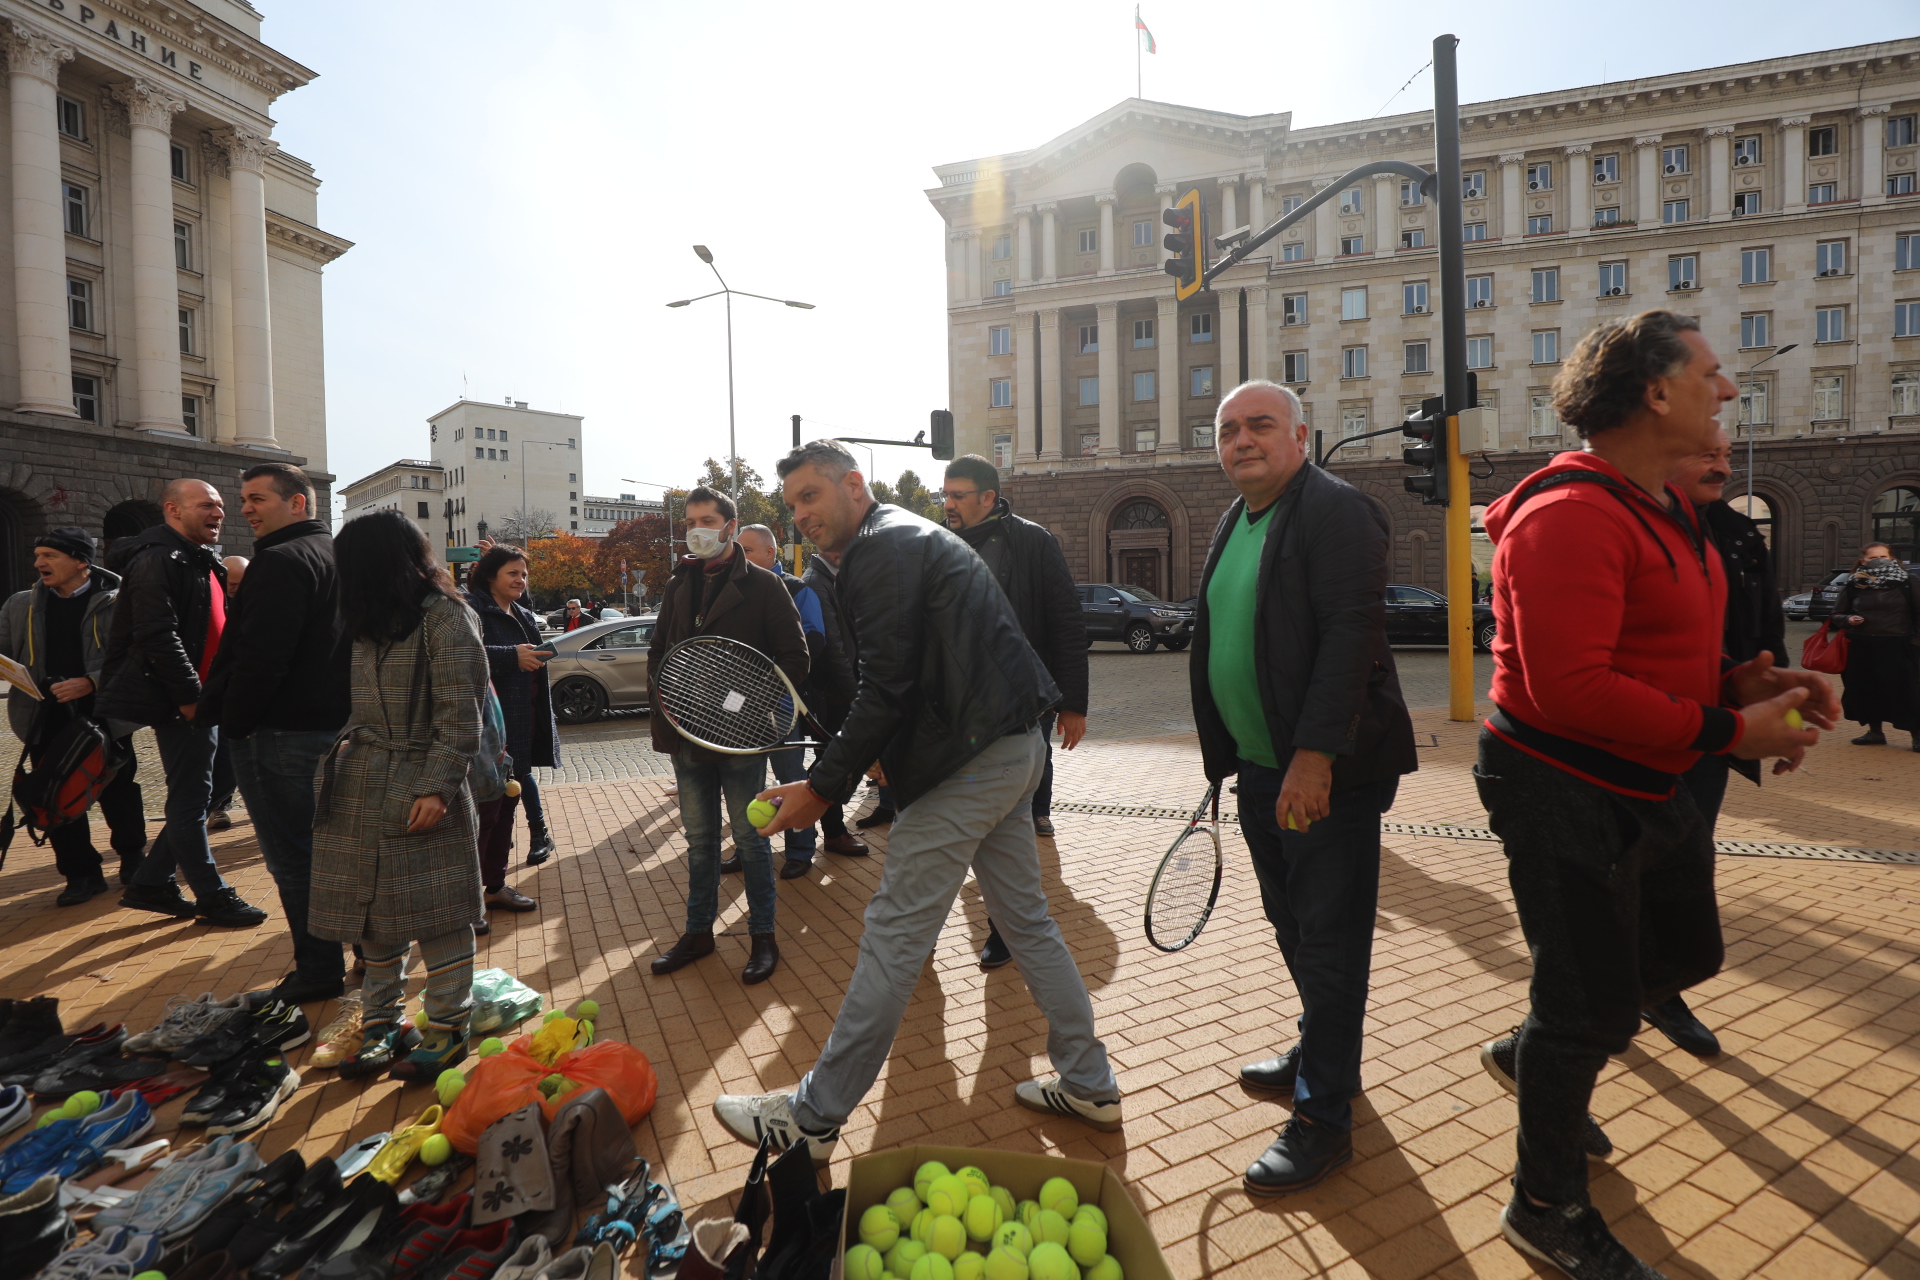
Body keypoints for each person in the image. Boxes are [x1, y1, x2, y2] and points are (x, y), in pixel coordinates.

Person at [1477, 310, 1836, 1278]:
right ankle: (1543, 1201)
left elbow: (1658, 655)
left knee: (1683, 953)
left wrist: (1744, 687)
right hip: (1559, 789)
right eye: (1712, 374)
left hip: (1646, 780)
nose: (1727, 392)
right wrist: (1730, 732)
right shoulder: (1569, 516)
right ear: (1654, 390)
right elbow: (1571, 688)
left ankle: (1536, 1043)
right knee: (1591, 1002)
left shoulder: (1668, 509)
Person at [711, 440, 1119, 1163]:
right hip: (1008, 747)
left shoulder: (883, 549)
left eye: (811, 496)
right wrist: (865, 757)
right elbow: (905, 678)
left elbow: (888, 685)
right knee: (1026, 922)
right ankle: (1088, 1080)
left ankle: (813, 1114)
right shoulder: (893, 536)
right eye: (793, 503)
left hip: (974, 762)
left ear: (853, 486)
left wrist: (820, 788)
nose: (801, 514)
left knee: (895, 929)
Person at [1185, 383, 1418, 1195]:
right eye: (1227, 430)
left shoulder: (1335, 511)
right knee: (1293, 925)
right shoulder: (1236, 518)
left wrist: (1314, 757)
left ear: (1300, 436)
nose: (1241, 441)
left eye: (1259, 426)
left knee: (1330, 939)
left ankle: (1324, 1117)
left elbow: (1353, 633)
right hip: (1258, 768)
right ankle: (1322, 1048)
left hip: (1323, 775)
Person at [311, 510, 488, 1081]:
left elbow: (462, 717)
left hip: (419, 782)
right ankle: (383, 1020)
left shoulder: (447, 619)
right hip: (361, 782)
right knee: (373, 916)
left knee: (440, 913)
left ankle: (447, 1025)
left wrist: (436, 787)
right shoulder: (370, 621)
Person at [1647, 432, 1789, 1057]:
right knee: (1616, 872)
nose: (1724, 466)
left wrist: (1778, 717)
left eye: (1727, 455)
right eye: (1706, 453)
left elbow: (1767, 628)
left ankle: (1658, 989)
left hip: (1714, 732)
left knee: (1686, 860)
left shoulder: (1736, 533)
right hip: (1639, 732)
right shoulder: (1629, 524)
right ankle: (1579, 1009)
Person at [199, 464, 352, 1003]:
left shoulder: (281, 561)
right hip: (333, 730)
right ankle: (359, 953)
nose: (245, 509)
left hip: (279, 733)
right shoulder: (336, 557)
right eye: (243, 499)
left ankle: (318, 968)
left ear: (299, 504)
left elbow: (260, 659)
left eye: (258, 498)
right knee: (335, 851)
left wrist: (234, 724)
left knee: (295, 858)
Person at [646, 487, 808, 985]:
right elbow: (659, 651)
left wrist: (745, 703)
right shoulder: (678, 584)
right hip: (686, 733)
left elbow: (795, 659)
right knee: (698, 841)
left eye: (708, 520)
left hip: (738, 738)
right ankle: (698, 933)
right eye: (691, 520)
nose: (697, 528)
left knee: (749, 839)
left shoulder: (764, 585)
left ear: (730, 527)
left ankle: (763, 937)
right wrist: (666, 699)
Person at [97, 480, 266, 928]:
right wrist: (190, 698)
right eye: (207, 505)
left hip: (207, 697)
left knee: (205, 792)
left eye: (221, 506)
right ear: (173, 509)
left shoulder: (196, 557)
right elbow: (158, 635)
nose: (220, 513)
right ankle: (212, 895)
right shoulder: (157, 559)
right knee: (192, 800)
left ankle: (152, 881)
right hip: (184, 702)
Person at [942, 453, 1089, 970]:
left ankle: (1005, 928)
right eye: (945, 494)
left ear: (988, 496)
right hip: (957, 707)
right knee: (967, 819)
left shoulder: (1033, 541)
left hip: (1024, 703)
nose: (948, 504)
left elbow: (1066, 622)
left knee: (1008, 820)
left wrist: (1072, 703)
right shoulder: (940, 545)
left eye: (958, 495)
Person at [0, 527, 145, 903]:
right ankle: (81, 874)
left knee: (119, 791)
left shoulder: (122, 599)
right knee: (53, 794)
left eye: (49, 555)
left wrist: (91, 682)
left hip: (106, 716)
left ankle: (133, 859)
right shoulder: (20, 604)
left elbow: (138, 656)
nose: (38, 563)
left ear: (81, 561)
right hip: (43, 717)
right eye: (37, 555)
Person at [736, 524, 845, 878]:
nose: (741, 556)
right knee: (744, 784)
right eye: (738, 550)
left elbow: (812, 645)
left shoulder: (798, 589)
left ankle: (800, 850)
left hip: (781, 704)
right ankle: (748, 849)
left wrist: (770, 685)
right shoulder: (733, 587)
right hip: (740, 707)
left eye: (748, 550)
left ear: (771, 552)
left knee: (790, 775)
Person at [464, 542, 558, 927]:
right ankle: (468, 905)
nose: (520, 580)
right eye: (512, 573)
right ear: (490, 577)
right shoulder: (471, 609)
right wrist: (509, 656)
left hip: (521, 724)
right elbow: (461, 655)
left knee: (507, 807)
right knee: (483, 815)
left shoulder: (521, 612)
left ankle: (495, 886)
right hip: (487, 731)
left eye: (524, 573)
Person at [798, 547, 865, 857]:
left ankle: (829, 827)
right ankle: (833, 831)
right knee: (832, 760)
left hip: (842, 688)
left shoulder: (837, 577)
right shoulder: (816, 581)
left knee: (836, 759)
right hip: (833, 693)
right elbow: (833, 648)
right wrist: (856, 695)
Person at [1832, 542, 1920, 750]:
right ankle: (1875, 732)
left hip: (1900, 644)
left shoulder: (1908, 581)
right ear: (1863, 561)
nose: (1879, 561)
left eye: (1883, 557)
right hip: (1862, 646)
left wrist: (1916, 642)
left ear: (1892, 559)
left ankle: (1917, 735)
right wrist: (1848, 620)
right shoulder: (1854, 583)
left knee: (1908, 691)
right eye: (1873, 558)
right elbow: (1836, 614)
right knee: (1867, 690)